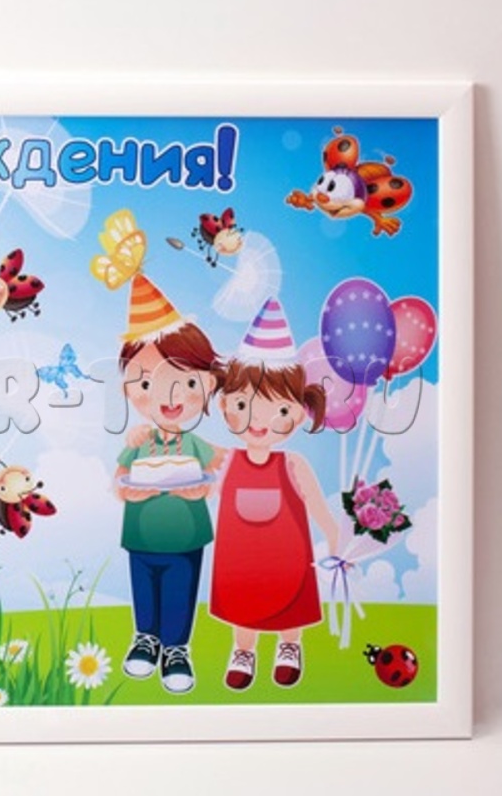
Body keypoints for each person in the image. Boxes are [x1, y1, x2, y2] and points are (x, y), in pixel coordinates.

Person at [209, 298, 343, 690]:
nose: (260, 421)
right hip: (240, 560)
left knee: (290, 604)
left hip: (288, 558)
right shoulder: (227, 461)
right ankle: (243, 652)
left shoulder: (294, 464)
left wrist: (333, 534)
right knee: (243, 605)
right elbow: (198, 481)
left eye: (279, 410)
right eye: (244, 404)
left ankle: (289, 646)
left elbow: (316, 504)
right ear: (225, 406)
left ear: (298, 413)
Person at [114, 274, 226, 694]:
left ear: (207, 383)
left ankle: (176, 649)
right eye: (147, 383)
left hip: (186, 536)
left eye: (187, 382)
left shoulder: (194, 443)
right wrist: (126, 490)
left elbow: (219, 467)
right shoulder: (138, 442)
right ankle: (146, 640)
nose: (169, 396)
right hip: (141, 533)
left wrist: (205, 488)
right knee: (144, 588)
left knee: (180, 589)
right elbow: (119, 479)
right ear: (130, 389)